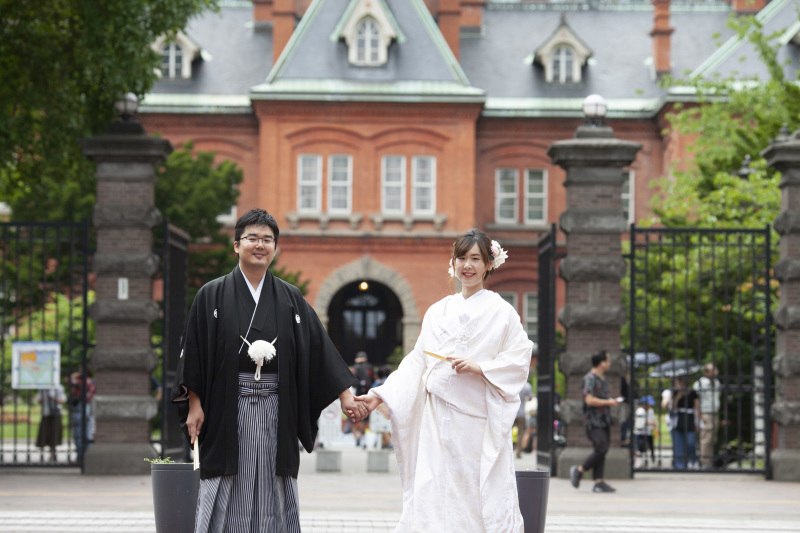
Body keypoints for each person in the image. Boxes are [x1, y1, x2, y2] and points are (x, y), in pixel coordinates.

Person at [171, 208, 367, 532]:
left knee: (274, 480)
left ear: (275, 248)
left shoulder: (290, 297)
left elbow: (319, 348)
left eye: (267, 239)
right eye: (252, 238)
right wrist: (194, 403)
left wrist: (346, 396)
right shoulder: (212, 294)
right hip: (225, 409)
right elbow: (194, 352)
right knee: (224, 478)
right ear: (236, 245)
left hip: (277, 409)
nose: (259, 245)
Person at [355, 229, 533, 532]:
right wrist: (380, 395)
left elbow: (519, 357)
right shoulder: (439, 311)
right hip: (437, 421)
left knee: (474, 492)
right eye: (462, 257)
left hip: (476, 421)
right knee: (434, 489)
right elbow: (417, 361)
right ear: (453, 262)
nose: (467, 265)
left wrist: (482, 367)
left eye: (475, 258)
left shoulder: (502, 312)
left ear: (489, 263)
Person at [570, 349, 619, 493]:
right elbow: (589, 399)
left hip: (604, 420)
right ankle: (579, 470)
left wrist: (610, 402)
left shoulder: (603, 378)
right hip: (593, 421)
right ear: (602, 363)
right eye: (608, 360)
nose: (610, 363)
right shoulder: (590, 378)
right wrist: (607, 402)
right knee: (601, 448)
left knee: (602, 450)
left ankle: (598, 482)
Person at [693, 363, 721, 469]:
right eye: (713, 370)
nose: (716, 372)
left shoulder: (717, 382)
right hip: (705, 412)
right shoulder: (700, 383)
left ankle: (709, 461)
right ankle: (705, 462)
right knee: (706, 438)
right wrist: (699, 414)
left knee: (713, 438)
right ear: (706, 372)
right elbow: (697, 400)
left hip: (714, 412)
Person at [668, 376, 699, 470]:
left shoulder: (693, 393)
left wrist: (697, 421)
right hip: (679, 418)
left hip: (690, 418)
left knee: (691, 442)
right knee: (679, 443)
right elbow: (672, 408)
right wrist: (677, 397)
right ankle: (679, 464)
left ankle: (693, 461)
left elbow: (696, 408)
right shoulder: (676, 392)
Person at [68, 370, 96, 463]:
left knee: (78, 434)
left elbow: (70, 380)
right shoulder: (92, 382)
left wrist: (75, 375)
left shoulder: (80, 382)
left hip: (79, 407)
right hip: (88, 407)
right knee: (87, 434)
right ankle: (88, 456)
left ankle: (80, 457)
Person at [36, 385, 67, 463]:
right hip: (46, 413)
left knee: (55, 434)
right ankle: (49, 453)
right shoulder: (43, 388)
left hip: (56, 414)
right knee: (46, 434)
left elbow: (63, 400)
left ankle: (53, 453)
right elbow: (38, 400)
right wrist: (44, 398)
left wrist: (54, 398)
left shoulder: (59, 388)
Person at [633, 395, 656, 468]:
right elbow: (644, 422)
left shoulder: (650, 411)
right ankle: (638, 463)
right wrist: (652, 423)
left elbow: (653, 420)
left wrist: (655, 427)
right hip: (640, 433)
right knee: (639, 449)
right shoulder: (640, 411)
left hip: (648, 432)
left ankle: (652, 462)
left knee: (650, 448)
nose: (651, 405)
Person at [515, 379, 533, 458]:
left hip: (511, 412)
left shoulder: (513, 383)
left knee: (506, 433)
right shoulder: (527, 386)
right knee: (520, 433)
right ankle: (518, 452)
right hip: (522, 412)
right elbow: (530, 398)